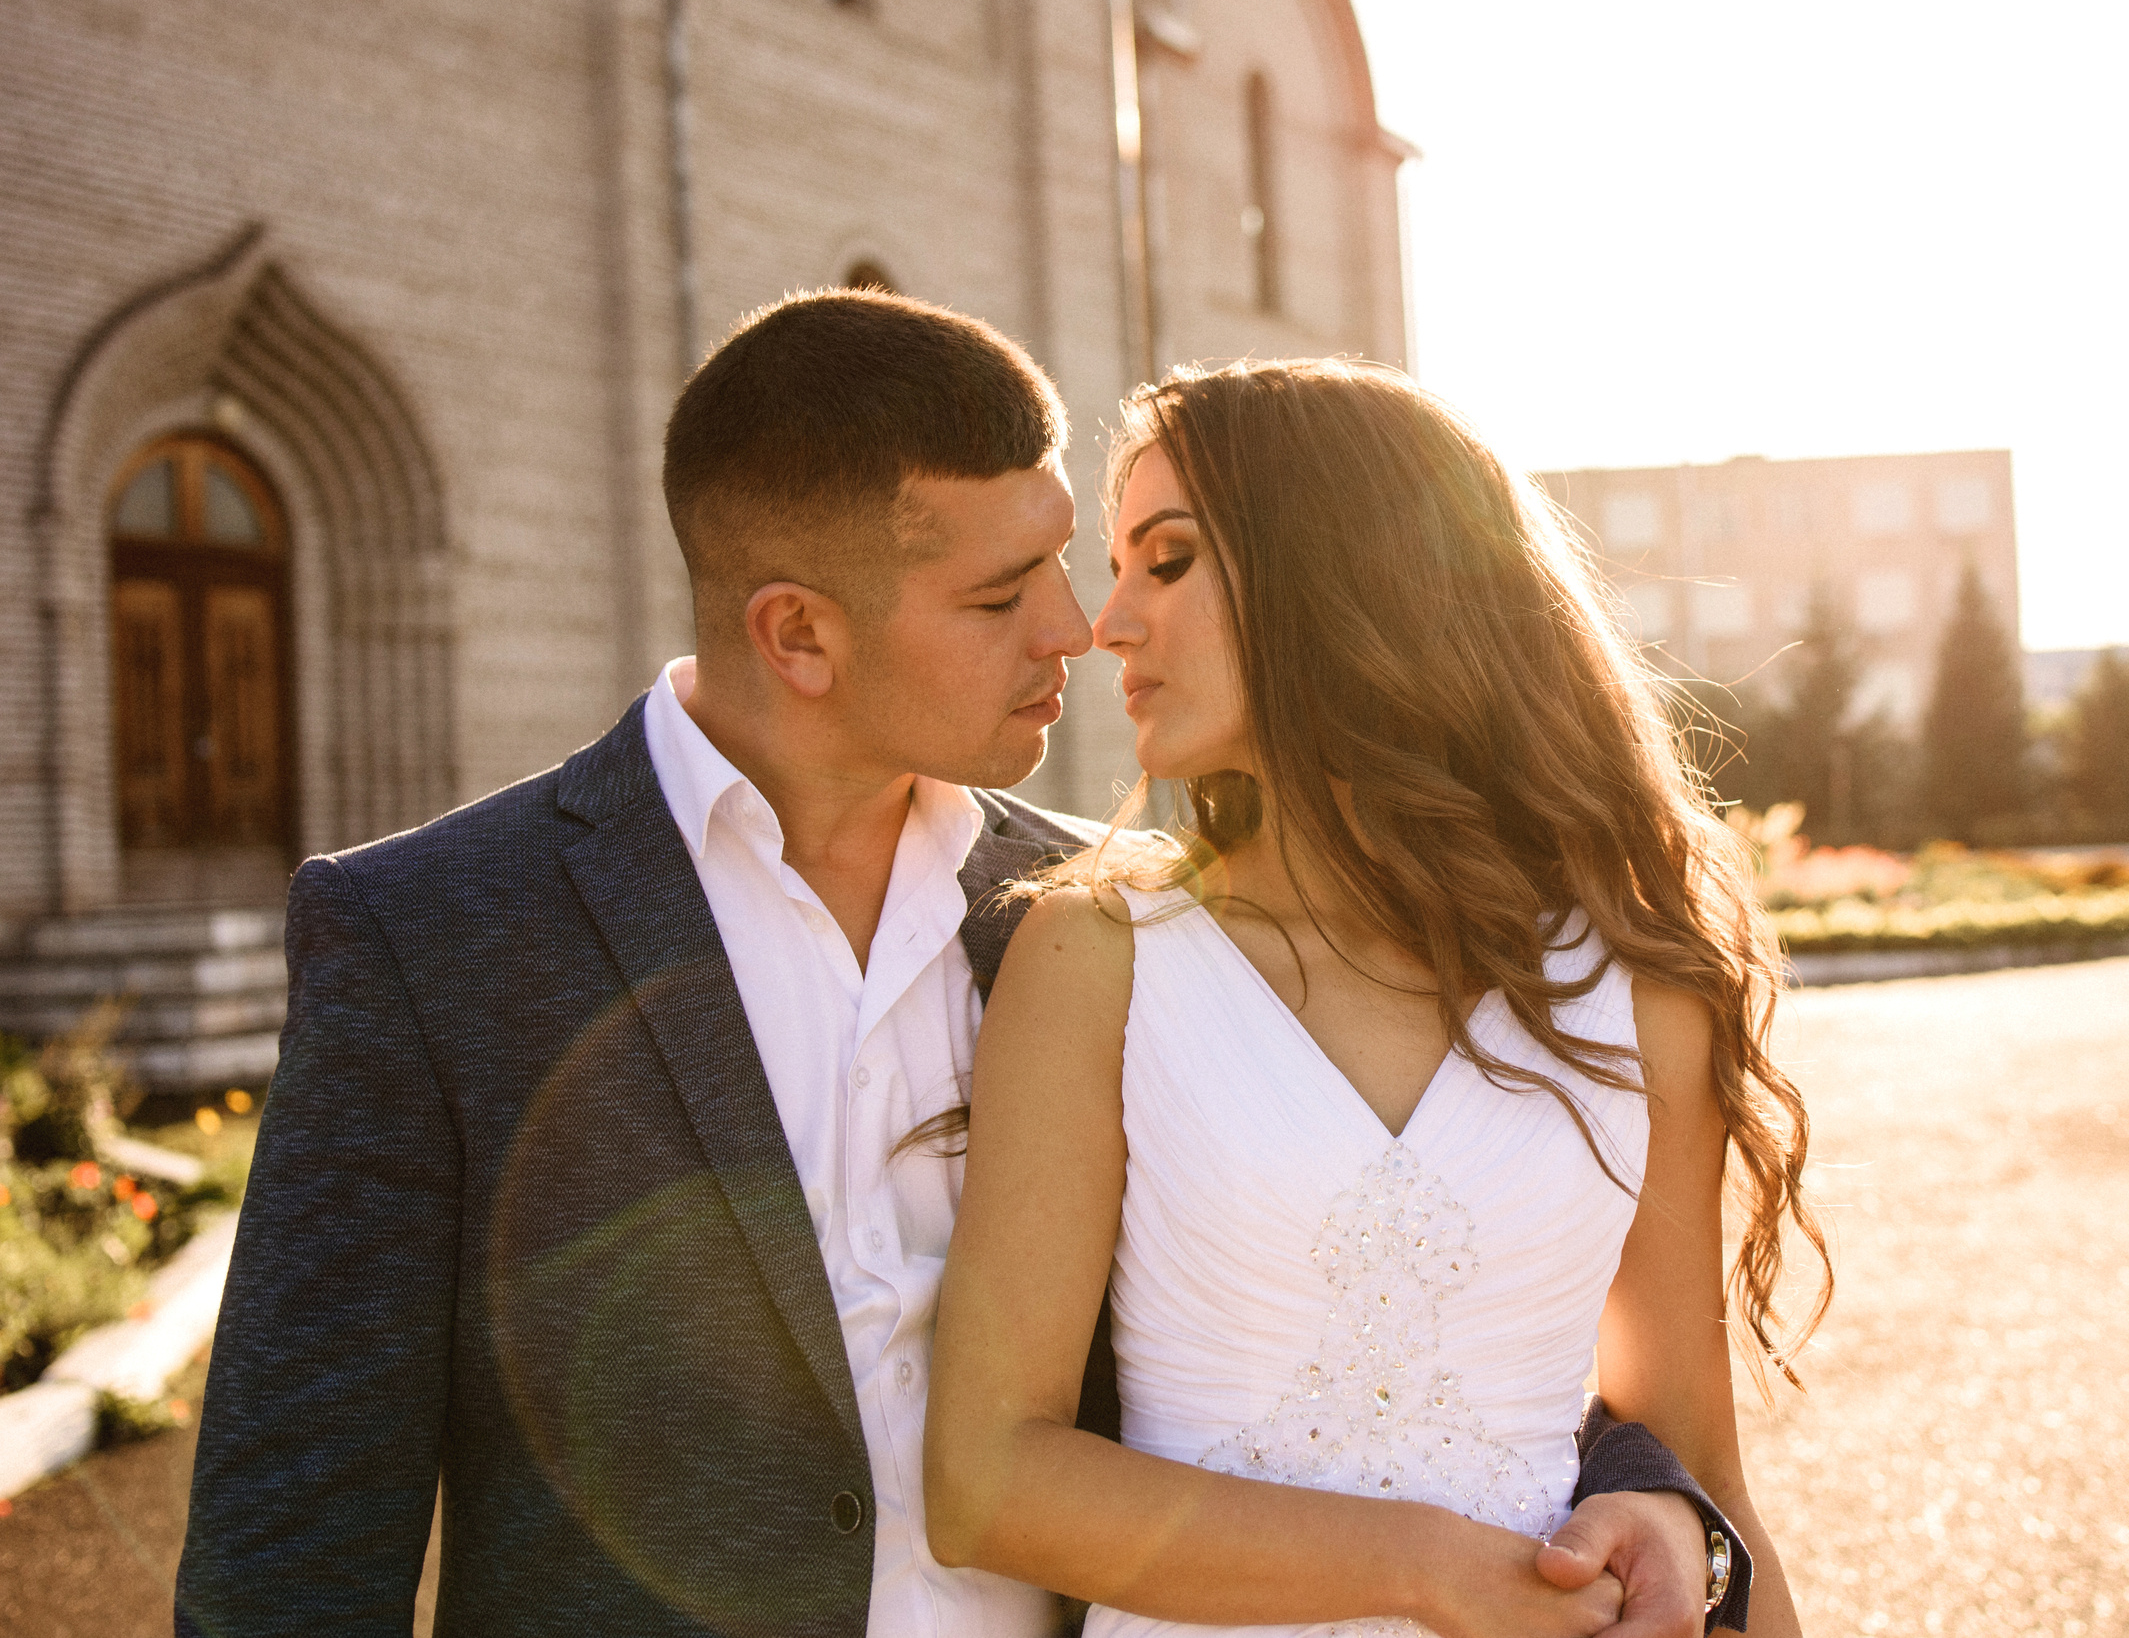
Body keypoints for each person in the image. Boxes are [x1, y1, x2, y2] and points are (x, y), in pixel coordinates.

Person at [176, 292, 1735, 1636]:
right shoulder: (436, 936)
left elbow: (1374, 1301)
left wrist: (1650, 1489)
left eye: (1078, 561)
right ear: (799, 635)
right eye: (1002, 598)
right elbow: (295, 1535)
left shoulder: (1088, 914)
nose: (1078, 629)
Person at [925, 360, 1829, 1635]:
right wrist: (1420, 1566)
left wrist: (1695, 1542)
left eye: (1165, 561)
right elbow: (985, 1479)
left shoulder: (1635, 987)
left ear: (1342, 568)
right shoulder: (1097, 957)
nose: (1104, 620)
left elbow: (1698, 1462)